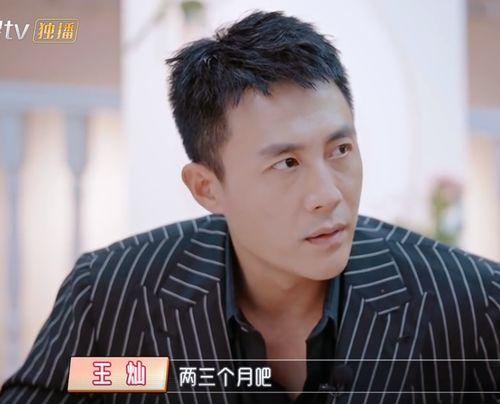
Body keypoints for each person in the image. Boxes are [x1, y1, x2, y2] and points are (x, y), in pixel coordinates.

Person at [1, 10, 499, 404]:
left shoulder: (472, 304)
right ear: (206, 188)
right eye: (287, 163)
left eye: (340, 150)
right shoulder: (111, 295)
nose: (328, 193)